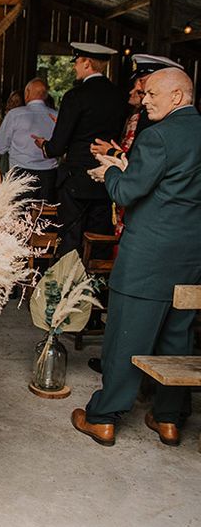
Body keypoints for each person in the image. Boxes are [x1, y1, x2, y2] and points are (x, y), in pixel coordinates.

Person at [72, 68, 201, 447]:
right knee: (177, 336)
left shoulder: (157, 136)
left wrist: (110, 173)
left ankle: (103, 417)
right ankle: (168, 419)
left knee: (127, 335)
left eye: (152, 94)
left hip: (149, 253)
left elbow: (127, 192)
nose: (144, 100)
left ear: (177, 96)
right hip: (191, 253)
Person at [32, 43, 128, 256]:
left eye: (76, 62)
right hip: (106, 180)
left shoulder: (75, 96)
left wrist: (44, 146)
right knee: (99, 239)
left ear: (87, 62)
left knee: (70, 239)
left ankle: (67, 286)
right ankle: (95, 287)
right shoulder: (119, 96)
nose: (74, 67)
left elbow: (57, 146)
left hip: (76, 181)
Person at [0, 77, 58, 203]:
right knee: (45, 216)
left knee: (18, 217)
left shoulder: (14, 115)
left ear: (27, 93)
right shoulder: (56, 116)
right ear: (45, 96)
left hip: (21, 174)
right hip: (49, 175)